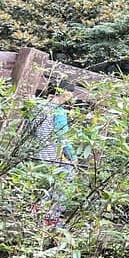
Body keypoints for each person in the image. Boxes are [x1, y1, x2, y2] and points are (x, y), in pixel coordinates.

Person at [31, 89, 77, 225]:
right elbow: (63, 137)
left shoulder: (37, 105)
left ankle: (34, 213)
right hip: (51, 154)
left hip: (33, 153)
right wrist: (73, 157)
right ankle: (51, 217)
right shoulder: (59, 112)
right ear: (66, 94)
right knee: (65, 178)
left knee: (39, 184)